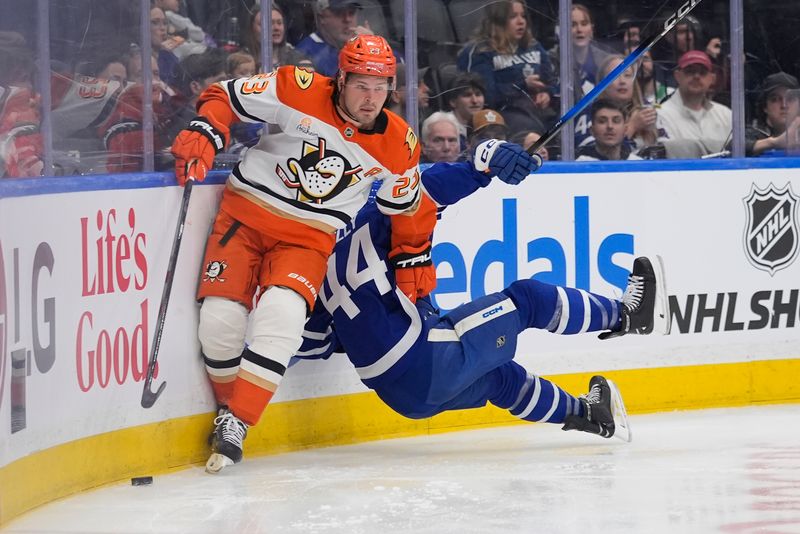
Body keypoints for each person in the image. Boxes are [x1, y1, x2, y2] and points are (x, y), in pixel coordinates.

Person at [170, 35, 431, 473]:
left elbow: (409, 207)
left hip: (308, 238)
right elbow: (224, 96)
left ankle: (237, 422)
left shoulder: (398, 146)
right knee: (219, 322)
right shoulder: (298, 87)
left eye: (381, 86)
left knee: (283, 314)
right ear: (341, 78)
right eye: (361, 85)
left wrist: (413, 255)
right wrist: (207, 128)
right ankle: (228, 407)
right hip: (244, 217)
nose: (371, 99)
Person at [295, 142, 668, 447]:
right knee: (527, 300)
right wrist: (482, 162)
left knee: (499, 378)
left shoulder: (307, 265)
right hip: (426, 356)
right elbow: (427, 192)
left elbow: (312, 343)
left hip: (402, 398)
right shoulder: (369, 217)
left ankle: (592, 416)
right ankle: (627, 315)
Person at [456, 0, 553, 134]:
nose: (521, 22)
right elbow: (486, 96)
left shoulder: (534, 46)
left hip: (539, 110)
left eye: (523, 16)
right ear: (498, 21)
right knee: (531, 128)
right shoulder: (480, 52)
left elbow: (551, 79)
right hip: (503, 113)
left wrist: (546, 93)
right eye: (513, 17)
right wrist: (522, 85)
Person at [658, 50, 732, 158]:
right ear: (677, 76)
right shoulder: (661, 114)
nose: (697, 76)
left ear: (712, 78)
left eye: (702, 72)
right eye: (690, 71)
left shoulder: (726, 114)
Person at [296, 0, 372, 77]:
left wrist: (371, 48)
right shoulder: (305, 53)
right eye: (339, 13)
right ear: (322, 17)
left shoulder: (357, 44)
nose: (347, 19)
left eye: (351, 13)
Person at [745, 72, 800, 156]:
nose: (784, 105)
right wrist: (774, 143)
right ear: (765, 107)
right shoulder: (754, 134)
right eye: (775, 99)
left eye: (790, 99)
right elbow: (732, 148)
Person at [576, 99, 643, 161]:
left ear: (625, 129)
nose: (610, 126)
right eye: (602, 121)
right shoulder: (578, 163)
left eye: (616, 121)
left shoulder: (638, 164)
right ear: (592, 130)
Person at [446, 72, 486, 150]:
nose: (474, 100)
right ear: (453, 102)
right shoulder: (443, 125)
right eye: (467, 95)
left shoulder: (487, 123)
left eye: (478, 94)